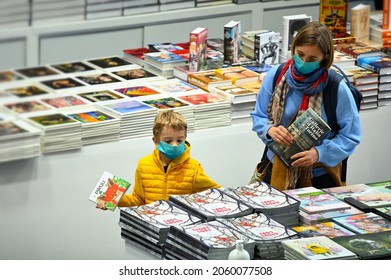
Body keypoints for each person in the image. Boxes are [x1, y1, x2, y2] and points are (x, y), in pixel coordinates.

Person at [250, 22, 361, 191]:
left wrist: (319, 153)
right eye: (299, 54)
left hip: (318, 176)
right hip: (274, 169)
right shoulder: (277, 76)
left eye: (311, 59)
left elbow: (350, 136)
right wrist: (270, 130)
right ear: (293, 48)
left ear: (324, 58)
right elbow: (259, 116)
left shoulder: (336, 89)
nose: (302, 62)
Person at [97, 110, 220, 209]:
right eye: (168, 141)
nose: (175, 145)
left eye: (180, 140)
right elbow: (139, 199)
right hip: (152, 227)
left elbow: (218, 195)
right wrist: (113, 199)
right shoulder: (143, 165)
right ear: (156, 141)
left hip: (181, 230)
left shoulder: (193, 168)